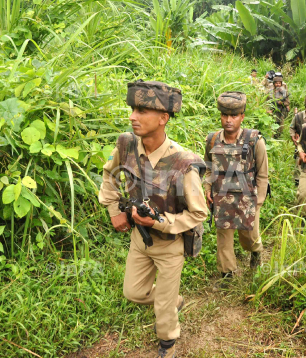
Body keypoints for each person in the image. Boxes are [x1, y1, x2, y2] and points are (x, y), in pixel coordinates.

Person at [98, 80, 207, 358]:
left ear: (163, 118)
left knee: (163, 310)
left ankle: (168, 343)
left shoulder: (183, 163)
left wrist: (159, 222)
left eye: (143, 111)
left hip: (170, 245)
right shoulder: (126, 145)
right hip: (139, 240)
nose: (133, 116)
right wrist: (114, 212)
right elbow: (109, 175)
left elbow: (198, 213)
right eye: (133, 109)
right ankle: (173, 300)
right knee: (133, 293)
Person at [204, 92, 269, 288]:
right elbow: (208, 166)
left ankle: (256, 253)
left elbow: (263, 173)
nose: (228, 120)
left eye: (233, 116)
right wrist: (207, 186)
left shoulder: (254, 140)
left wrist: (259, 201)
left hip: (248, 196)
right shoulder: (213, 139)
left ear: (242, 116)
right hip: (221, 196)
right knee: (224, 237)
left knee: (249, 236)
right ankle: (227, 275)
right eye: (225, 115)